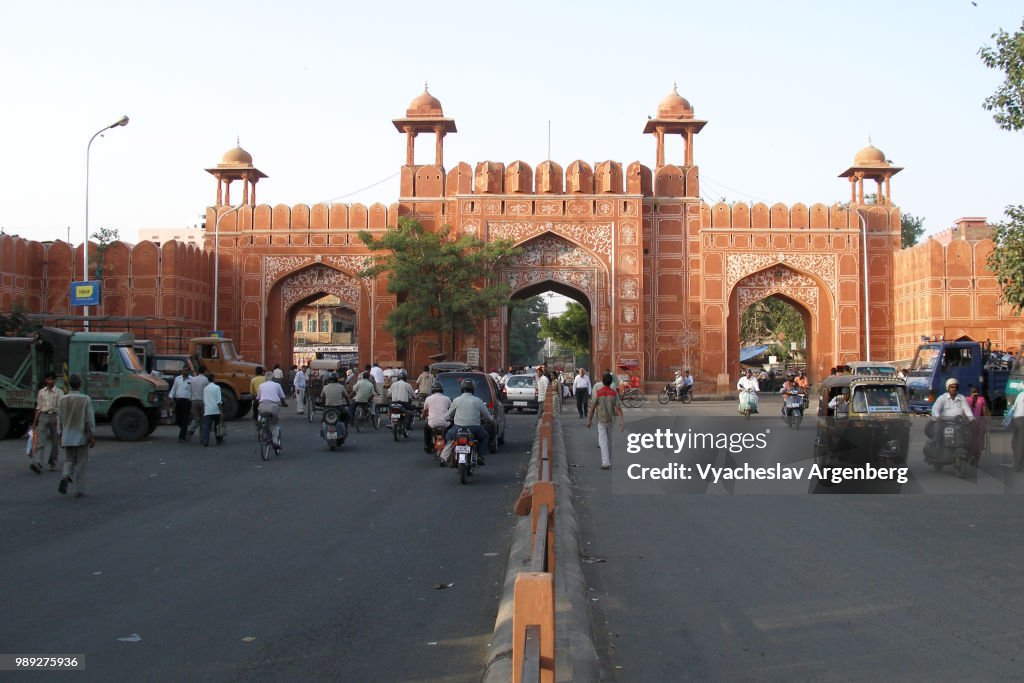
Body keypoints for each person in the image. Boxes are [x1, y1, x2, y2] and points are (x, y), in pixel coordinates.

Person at [56, 374, 95, 498]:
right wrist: (91, 435)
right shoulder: (85, 399)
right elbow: (90, 419)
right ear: (80, 385)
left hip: (67, 434)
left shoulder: (62, 399)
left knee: (69, 460)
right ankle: (79, 489)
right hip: (81, 435)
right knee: (81, 462)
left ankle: (66, 475)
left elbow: (59, 419)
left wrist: (59, 434)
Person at [446, 378, 492, 464]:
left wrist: (448, 419)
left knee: (448, 435)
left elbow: (448, 415)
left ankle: (452, 454)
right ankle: (480, 456)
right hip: (474, 429)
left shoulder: (456, 400)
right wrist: (490, 420)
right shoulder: (478, 400)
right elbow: (488, 416)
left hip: (458, 428)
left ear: (462, 388)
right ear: (473, 389)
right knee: (485, 436)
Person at [587, 372, 625, 470]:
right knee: (610, 440)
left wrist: (589, 420)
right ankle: (608, 459)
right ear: (611, 382)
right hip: (611, 420)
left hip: (601, 420)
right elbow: (618, 408)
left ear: (603, 381)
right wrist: (622, 422)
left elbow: (592, 408)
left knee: (603, 441)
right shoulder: (614, 393)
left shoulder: (599, 393)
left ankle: (605, 462)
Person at [30, 371, 65, 473]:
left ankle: (53, 462)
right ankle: (37, 462)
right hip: (43, 416)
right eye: (48, 379)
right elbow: (38, 408)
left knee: (55, 441)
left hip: (54, 417)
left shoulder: (59, 392)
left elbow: (61, 408)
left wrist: (58, 418)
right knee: (41, 440)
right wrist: (34, 423)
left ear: (55, 380)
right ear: (45, 380)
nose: (50, 381)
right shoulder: (41, 392)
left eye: (52, 379)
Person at [255, 372, 287, 447]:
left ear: (265, 378)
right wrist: (284, 404)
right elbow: (282, 397)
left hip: (263, 406)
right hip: (273, 406)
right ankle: (275, 441)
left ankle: (260, 422)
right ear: (273, 378)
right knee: (275, 424)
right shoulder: (277, 385)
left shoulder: (261, 385)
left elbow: (258, 398)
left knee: (260, 412)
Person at [421, 381, 452, 453]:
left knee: (426, 429)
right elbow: (451, 410)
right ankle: (450, 445)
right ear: (442, 390)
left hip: (432, 424)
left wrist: (423, 416)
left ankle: (427, 446)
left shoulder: (428, 399)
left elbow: (425, 411)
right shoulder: (447, 398)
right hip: (445, 423)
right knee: (451, 430)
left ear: (432, 390)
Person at [168, 366, 193, 443]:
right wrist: (170, 397)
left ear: (189, 371)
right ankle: (184, 429)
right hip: (178, 400)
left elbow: (193, 391)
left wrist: (192, 400)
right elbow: (174, 388)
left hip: (186, 401)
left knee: (185, 419)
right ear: (182, 371)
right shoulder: (177, 379)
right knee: (178, 420)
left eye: (186, 371)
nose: (184, 372)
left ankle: (182, 437)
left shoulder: (192, 380)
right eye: (183, 370)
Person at [966, 386, 989, 465]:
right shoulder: (981, 400)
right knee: (978, 443)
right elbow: (985, 413)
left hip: (972, 425)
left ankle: (973, 458)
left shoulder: (967, 399)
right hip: (977, 424)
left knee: (971, 442)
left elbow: (964, 412)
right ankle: (975, 460)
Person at [186, 370, 209, 442]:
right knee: (203, 420)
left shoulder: (193, 379)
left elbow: (190, 389)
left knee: (196, 418)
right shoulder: (205, 380)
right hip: (203, 401)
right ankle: (202, 437)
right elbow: (207, 390)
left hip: (194, 401)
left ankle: (190, 430)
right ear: (204, 372)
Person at [201, 373, 223, 447]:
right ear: (213, 379)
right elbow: (218, 401)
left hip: (208, 410)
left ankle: (206, 440)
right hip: (216, 410)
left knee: (207, 426)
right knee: (217, 425)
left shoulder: (205, 388)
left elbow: (204, 400)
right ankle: (218, 439)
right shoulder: (217, 387)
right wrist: (221, 411)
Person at [1006, 389, 1024, 471]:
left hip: (1015, 420)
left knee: (1015, 441)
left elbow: (1014, 407)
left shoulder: (1020, 394)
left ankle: (1017, 459)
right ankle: (1017, 465)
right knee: (1021, 443)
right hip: (1022, 420)